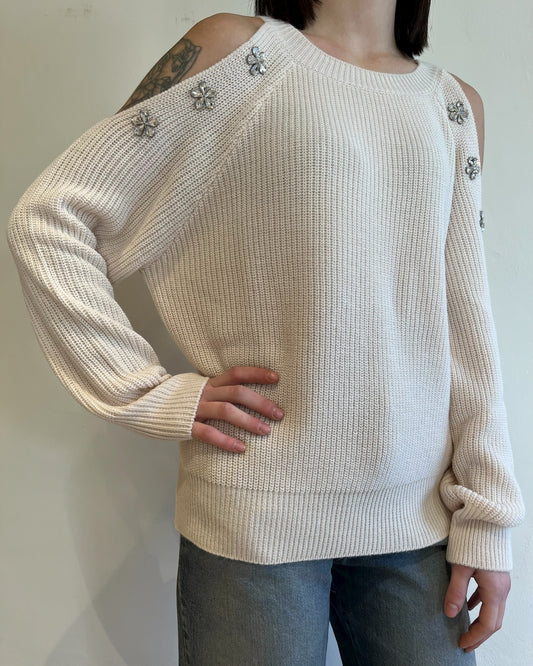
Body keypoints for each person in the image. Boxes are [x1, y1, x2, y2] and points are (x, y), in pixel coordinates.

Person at [6, 1, 525, 664]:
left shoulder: (454, 107)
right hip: (253, 517)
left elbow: (465, 323)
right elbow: (50, 218)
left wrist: (487, 518)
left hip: (420, 521)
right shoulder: (236, 53)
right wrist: (144, 390)